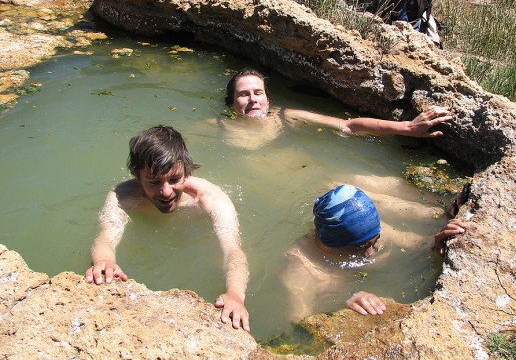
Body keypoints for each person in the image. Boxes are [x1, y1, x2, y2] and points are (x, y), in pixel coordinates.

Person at [84, 125, 251, 332]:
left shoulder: (211, 199)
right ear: (138, 176)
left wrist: (235, 294)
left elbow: (233, 251)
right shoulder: (123, 196)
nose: (166, 192)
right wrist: (104, 262)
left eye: (174, 180)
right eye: (154, 182)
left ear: (186, 172)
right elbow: (106, 237)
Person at [281, 184, 467, 321]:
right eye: (359, 247)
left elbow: (414, 242)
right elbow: (297, 321)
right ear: (330, 244)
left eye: (375, 241)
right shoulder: (301, 268)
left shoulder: (370, 234)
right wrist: (342, 304)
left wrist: (437, 239)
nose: (371, 252)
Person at [223, 67, 452, 141]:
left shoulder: (286, 115)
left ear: (268, 99)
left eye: (258, 93)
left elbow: (349, 125)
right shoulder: (217, 125)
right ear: (231, 102)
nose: (253, 99)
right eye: (244, 94)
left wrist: (407, 128)